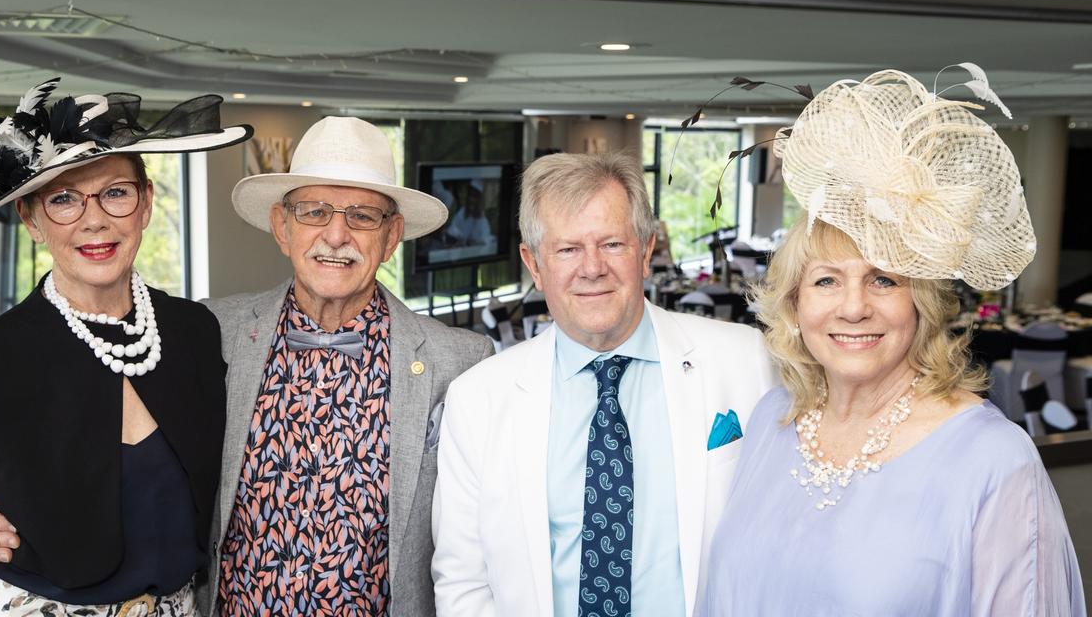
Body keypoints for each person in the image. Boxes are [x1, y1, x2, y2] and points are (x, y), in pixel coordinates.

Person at [0, 115, 495, 616]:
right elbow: (119, 452)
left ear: (392, 235)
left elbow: (501, 520)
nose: (337, 236)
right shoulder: (204, 334)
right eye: (313, 212)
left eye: (362, 216)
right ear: (282, 227)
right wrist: (4, 512)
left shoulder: (463, 363)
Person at [697, 69, 1084, 615]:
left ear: (921, 303)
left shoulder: (993, 460)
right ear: (794, 304)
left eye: (884, 279)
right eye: (826, 280)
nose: (854, 307)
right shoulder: (773, 417)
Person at [0, 80, 251, 614]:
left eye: (115, 192)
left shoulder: (196, 332)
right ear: (31, 219)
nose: (94, 219)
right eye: (63, 198)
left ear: (146, 203)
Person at [432, 151, 778, 617]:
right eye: (567, 249)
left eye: (612, 244)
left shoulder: (747, 360)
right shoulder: (478, 399)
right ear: (534, 264)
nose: (592, 267)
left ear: (646, 249)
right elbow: (463, 581)